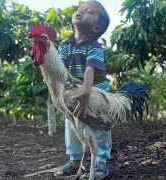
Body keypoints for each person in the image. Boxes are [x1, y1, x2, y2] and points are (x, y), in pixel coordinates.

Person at [54, 1, 111, 179]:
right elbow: (60, 71)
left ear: (96, 28)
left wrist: (86, 93)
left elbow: (90, 69)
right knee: (72, 126)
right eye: (80, 9)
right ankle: (76, 160)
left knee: (98, 127)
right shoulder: (64, 45)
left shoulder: (95, 46)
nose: (80, 11)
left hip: (96, 94)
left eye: (88, 12)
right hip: (73, 94)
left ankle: (100, 162)